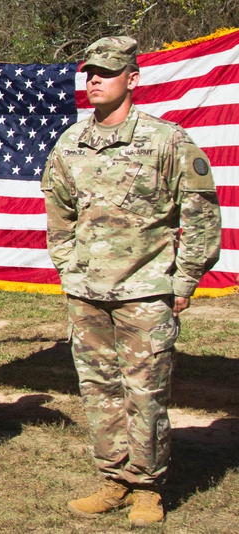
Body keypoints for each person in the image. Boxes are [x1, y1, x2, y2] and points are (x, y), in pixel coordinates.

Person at [41, 36, 221, 527]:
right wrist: (68, 268)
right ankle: (113, 477)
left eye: (106, 72)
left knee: (146, 392)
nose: (94, 79)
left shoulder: (168, 141)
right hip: (88, 293)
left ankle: (147, 486)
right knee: (99, 389)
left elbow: (201, 216)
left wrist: (183, 281)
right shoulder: (70, 143)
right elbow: (58, 213)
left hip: (146, 290)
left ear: (133, 80)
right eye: (89, 73)